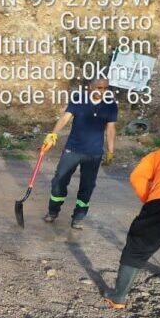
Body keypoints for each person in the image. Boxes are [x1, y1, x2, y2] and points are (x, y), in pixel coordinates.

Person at [105, 145, 160, 310]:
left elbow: (137, 177)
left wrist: (150, 200)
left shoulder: (159, 153)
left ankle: (118, 297)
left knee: (137, 249)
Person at [44, 78, 117, 229]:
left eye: (105, 88)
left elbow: (110, 129)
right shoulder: (78, 99)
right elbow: (65, 117)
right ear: (90, 87)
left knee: (87, 186)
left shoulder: (111, 106)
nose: (101, 91)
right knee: (59, 180)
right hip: (73, 149)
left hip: (94, 153)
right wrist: (53, 135)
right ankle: (53, 212)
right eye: (98, 87)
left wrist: (110, 151)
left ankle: (78, 217)